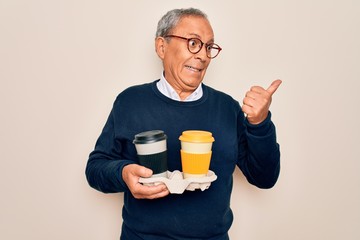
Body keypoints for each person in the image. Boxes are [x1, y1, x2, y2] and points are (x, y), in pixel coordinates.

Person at [86, 7, 282, 240]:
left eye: (209, 47)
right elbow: (95, 168)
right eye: (193, 43)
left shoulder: (228, 108)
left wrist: (259, 123)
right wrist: (123, 173)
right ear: (162, 46)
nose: (203, 55)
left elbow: (265, 178)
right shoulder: (130, 102)